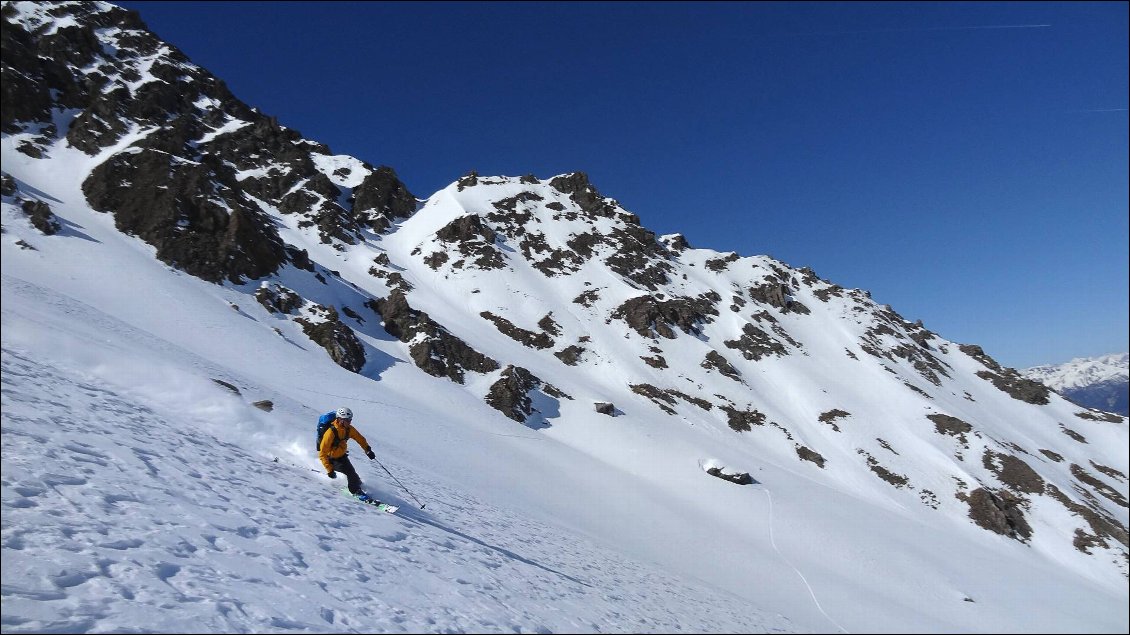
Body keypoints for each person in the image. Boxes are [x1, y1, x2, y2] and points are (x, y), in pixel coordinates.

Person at [318, 407, 378, 502]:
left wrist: (367, 450)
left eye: (350, 420)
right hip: (332, 459)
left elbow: (360, 439)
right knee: (350, 473)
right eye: (347, 420)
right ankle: (355, 491)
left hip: (342, 456)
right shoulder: (331, 432)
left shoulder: (349, 429)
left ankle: (357, 484)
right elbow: (322, 453)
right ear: (340, 419)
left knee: (353, 475)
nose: (349, 422)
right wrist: (330, 470)